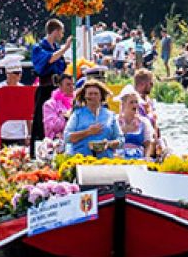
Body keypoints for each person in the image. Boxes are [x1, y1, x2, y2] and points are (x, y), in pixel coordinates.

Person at [30, 19, 70, 148]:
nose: (62, 35)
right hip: (45, 88)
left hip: (58, 90)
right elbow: (49, 59)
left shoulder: (57, 48)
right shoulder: (39, 48)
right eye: (61, 32)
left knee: (60, 117)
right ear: (56, 31)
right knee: (41, 121)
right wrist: (65, 48)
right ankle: (39, 149)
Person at [63, 80, 121, 157]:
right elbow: (67, 137)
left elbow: (121, 140)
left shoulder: (110, 115)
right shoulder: (77, 115)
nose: (93, 96)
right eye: (90, 94)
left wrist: (109, 144)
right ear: (85, 97)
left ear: (101, 96)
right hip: (82, 160)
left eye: (96, 94)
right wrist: (88, 132)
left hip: (105, 161)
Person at [115, 87, 150, 158]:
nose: (135, 105)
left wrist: (146, 158)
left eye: (136, 102)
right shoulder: (115, 121)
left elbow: (148, 145)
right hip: (118, 158)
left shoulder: (143, 122)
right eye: (131, 102)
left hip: (138, 158)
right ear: (124, 104)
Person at [41, 72, 75, 142]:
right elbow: (52, 127)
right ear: (60, 86)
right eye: (68, 85)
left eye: (73, 84)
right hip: (56, 143)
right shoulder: (49, 104)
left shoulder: (78, 102)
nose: (72, 87)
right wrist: (65, 117)